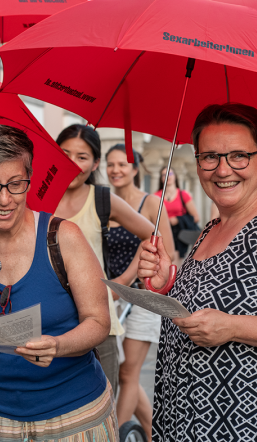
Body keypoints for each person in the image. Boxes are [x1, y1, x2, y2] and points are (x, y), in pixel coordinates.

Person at [139, 103, 257, 442]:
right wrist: (165, 283)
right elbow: (208, 306)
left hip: (249, 427)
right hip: (188, 422)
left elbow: (228, 319)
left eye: (239, 156)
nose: (223, 169)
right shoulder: (211, 228)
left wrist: (233, 327)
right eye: (210, 157)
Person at [0, 124, 119, 442]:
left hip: (74, 416)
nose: (4, 199)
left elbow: (99, 322)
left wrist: (58, 345)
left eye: (16, 184)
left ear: (29, 178)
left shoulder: (63, 238)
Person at [54, 125, 155, 396]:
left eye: (82, 157)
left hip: (98, 323)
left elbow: (151, 236)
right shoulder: (38, 198)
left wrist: (122, 282)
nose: (72, 163)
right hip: (49, 323)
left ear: (95, 163)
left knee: (103, 405)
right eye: (65, 154)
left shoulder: (101, 199)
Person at [105, 144, 174, 442]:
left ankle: (114, 440)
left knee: (128, 373)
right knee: (124, 374)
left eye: (122, 164)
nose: (116, 170)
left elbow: (168, 253)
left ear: (135, 169)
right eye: (111, 164)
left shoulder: (151, 203)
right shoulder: (105, 203)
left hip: (143, 298)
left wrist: (133, 276)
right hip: (112, 298)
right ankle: (152, 437)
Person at [155, 167, 200, 264]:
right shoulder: (156, 196)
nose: (167, 176)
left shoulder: (183, 195)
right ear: (161, 178)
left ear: (175, 176)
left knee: (176, 266)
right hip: (162, 234)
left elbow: (196, 217)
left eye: (170, 174)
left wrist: (178, 219)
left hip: (179, 235)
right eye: (164, 175)